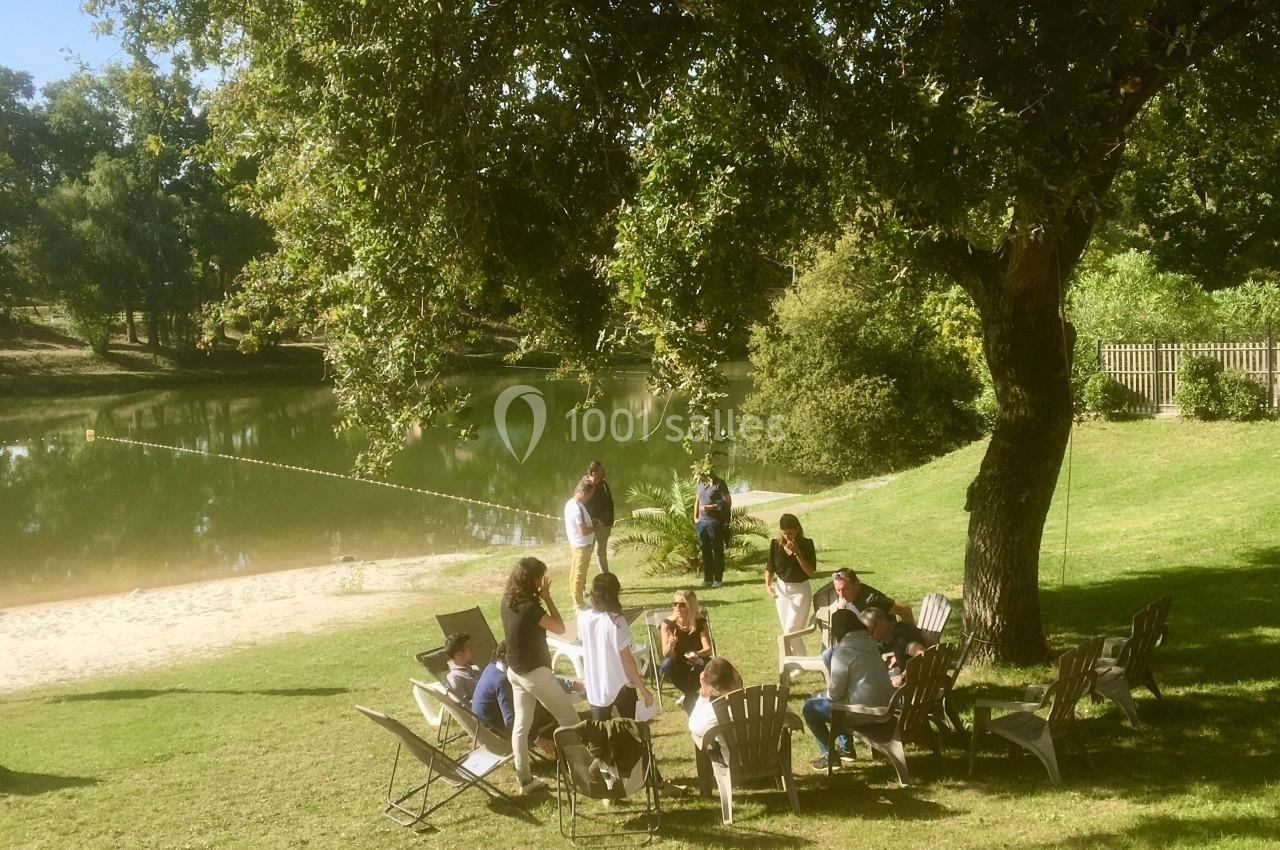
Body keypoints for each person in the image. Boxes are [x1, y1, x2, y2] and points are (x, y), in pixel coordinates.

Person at [500, 556, 581, 795]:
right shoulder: (531, 608)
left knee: (521, 726)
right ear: (533, 580)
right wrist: (547, 598)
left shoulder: (507, 601)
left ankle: (525, 780)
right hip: (535, 674)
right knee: (571, 721)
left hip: (515, 672)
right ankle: (582, 773)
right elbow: (560, 628)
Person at [802, 608, 895, 771]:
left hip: (862, 713)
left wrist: (818, 695)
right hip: (885, 707)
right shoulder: (872, 644)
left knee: (809, 707)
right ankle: (846, 749)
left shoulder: (842, 652)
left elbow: (835, 694)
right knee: (840, 701)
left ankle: (829, 756)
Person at [578, 573, 653, 721]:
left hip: (596, 685)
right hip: (620, 685)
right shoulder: (617, 622)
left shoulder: (583, 618)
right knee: (629, 732)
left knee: (600, 735)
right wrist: (643, 690)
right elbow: (627, 660)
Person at [471, 641, 558, 759]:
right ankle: (561, 746)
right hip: (498, 736)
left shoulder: (491, 667)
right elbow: (511, 720)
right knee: (547, 706)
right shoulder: (502, 681)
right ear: (503, 657)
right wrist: (537, 739)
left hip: (483, 731)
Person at [765, 513, 817, 654]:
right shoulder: (775, 544)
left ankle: (798, 662)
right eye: (784, 532)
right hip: (781, 589)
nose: (788, 536)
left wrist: (798, 553)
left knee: (791, 630)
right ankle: (798, 659)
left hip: (800, 590)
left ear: (797, 530)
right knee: (789, 631)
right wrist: (768, 585)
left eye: (791, 532)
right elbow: (770, 568)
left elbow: (811, 572)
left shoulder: (807, 544)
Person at [658, 589, 713, 714]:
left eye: (682, 605)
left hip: (694, 664)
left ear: (690, 606)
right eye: (675, 604)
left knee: (707, 663)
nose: (677, 607)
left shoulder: (700, 623)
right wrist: (671, 644)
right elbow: (665, 653)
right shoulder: (667, 624)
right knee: (667, 663)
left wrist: (697, 654)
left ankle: (688, 695)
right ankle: (690, 694)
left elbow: (708, 649)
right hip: (675, 666)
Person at [688, 657, 744, 754]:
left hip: (737, 764)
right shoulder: (764, 698)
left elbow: (693, 726)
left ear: (714, 688)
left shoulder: (715, 711)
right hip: (770, 762)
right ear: (735, 674)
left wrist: (704, 695)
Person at [865, 608, 927, 686]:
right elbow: (928, 642)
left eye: (871, 633)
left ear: (881, 624)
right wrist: (897, 657)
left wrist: (902, 676)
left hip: (918, 688)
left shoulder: (900, 638)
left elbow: (922, 654)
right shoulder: (904, 626)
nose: (872, 637)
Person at [693, 463, 731, 588]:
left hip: (714, 523)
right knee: (705, 551)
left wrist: (712, 507)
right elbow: (697, 500)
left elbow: (728, 502)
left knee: (717, 551)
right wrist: (696, 518)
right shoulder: (700, 484)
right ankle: (708, 578)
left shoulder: (719, 484)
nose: (702, 475)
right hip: (702, 523)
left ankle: (718, 579)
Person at [564, 477, 596, 610]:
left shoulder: (570, 503)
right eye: (590, 494)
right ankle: (578, 603)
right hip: (582, 545)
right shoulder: (577, 508)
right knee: (579, 575)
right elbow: (582, 530)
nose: (590, 497)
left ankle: (576, 599)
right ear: (584, 492)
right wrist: (596, 527)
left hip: (576, 544)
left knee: (575, 573)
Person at [584, 460, 615, 574]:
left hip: (605, 526)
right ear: (593, 472)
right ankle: (582, 586)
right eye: (600, 470)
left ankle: (606, 577)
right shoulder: (586, 485)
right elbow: (583, 505)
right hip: (592, 526)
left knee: (601, 553)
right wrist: (591, 523)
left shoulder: (604, 484)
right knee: (586, 555)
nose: (603, 472)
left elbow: (610, 503)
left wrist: (610, 521)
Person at [443, 631, 481, 701]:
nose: (472, 649)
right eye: (469, 647)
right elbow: (465, 706)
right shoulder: (454, 677)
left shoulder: (473, 668)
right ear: (459, 654)